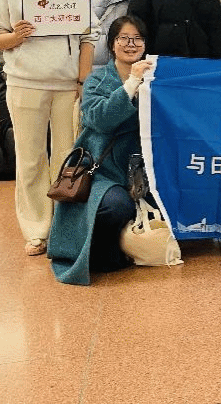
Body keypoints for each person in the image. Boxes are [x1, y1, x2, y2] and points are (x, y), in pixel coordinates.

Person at [0, 0, 98, 256]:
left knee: (67, 157)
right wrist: (14, 36)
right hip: (25, 84)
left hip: (66, 86)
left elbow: (88, 37)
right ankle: (36, 229)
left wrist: (82, 80)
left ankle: (64, 225)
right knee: (31, 158)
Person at [48, 16, 153, 284]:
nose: (131, 44)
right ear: (112, 44)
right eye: (124, 38)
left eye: (137, 39)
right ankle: (102, 250)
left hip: (146, 168)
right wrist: (131, 84)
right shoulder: (96, 79)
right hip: (102, 170)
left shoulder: (155, 77)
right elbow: (99, 119)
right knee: (115, 206)